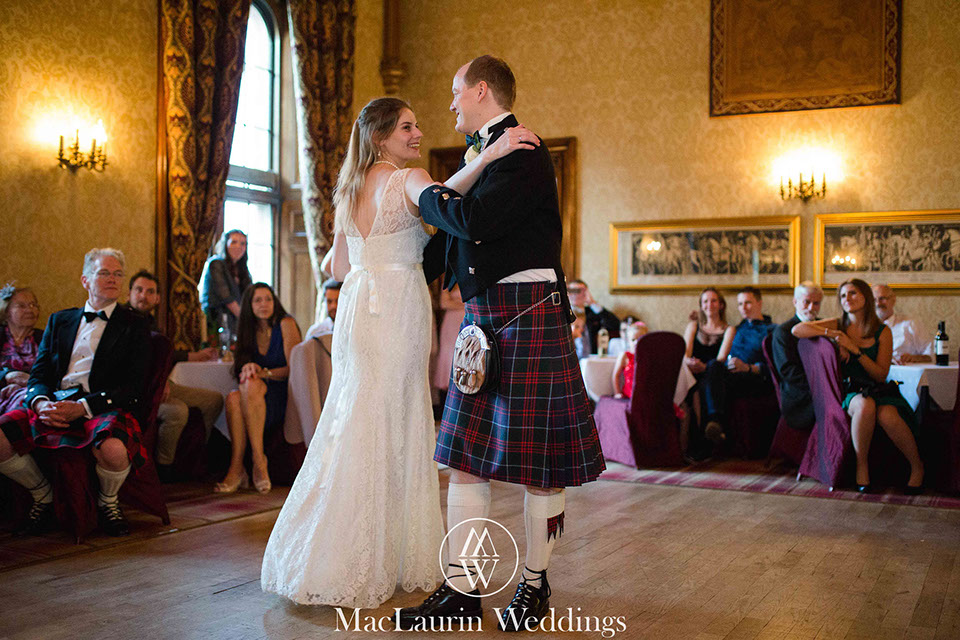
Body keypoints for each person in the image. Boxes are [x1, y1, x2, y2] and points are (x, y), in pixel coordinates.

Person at [260, 96, 535, 609]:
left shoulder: (348, 188)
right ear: (382, 135)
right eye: (407, 126)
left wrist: (375, 256)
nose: (416, 133)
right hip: (398, 308)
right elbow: (445, 205)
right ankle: (379, 554)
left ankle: (326, 552)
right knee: (395, 417)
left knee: (355, 416)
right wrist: (491, 156)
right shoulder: (407, 177)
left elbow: (335, 268)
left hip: (359, 308)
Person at [404, 56, 605, 632]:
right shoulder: (489, 154)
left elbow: (476, 221)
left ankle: (535, 586)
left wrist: (426, 198)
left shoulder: (523, 151)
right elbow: (439, 248)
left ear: (482, 91)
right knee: (467, 461)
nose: (451, 104)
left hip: (526, 316)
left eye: (455, 92)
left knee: (541, 466)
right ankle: (464, 591)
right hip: (485, 317)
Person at [0, 248, 151, 537]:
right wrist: (40, 401)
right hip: (54, 402)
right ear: (85, 280)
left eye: (118, 273)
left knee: (114, 450)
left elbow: (132, 387)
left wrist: (83, 407)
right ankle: (42, 494)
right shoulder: (60, 321)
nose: (113, 279)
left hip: (100, 406)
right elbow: (40, 372)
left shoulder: (135, 325)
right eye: (104, 273)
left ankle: (108, 502)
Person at [792, 278, 924, 493]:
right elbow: (797, 330)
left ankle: (917, 466)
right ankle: (861, 467)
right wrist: (834, 335)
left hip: (878, 388)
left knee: (888, 415)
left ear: (865, 297)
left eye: (852, 293)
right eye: (843, 296)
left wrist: (855, 350)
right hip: (850, 390)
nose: (847, 299)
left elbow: (881, 375)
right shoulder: (838, 324)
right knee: (865, 405)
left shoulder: (883, 332)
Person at [127, 270, 223, 475]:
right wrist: (159, 383)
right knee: (178, 411)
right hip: (140, 391)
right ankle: (165, 466)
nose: (143, 296)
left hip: (161, 384)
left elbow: (163, 356)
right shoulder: (123, 323)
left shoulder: (153, 323)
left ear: (158, 298)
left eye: (150, 291)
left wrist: (165, 379)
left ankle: (196, 456)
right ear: (129, 294)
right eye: (139, 290)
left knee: (214, 400)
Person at [215, 283, 300, 494]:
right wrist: (247, 368)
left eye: (268, 299)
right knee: (234, 398)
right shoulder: (247, 330)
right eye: (258, 300)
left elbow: (295, 369)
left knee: (249, 386)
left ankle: (254, 462)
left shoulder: (286, 323)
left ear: (275, 302)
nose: (264, 304)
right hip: (253, 395)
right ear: (249, 305)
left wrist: (264, 373)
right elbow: (240, 370)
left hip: (281, 395)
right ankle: (243, 466)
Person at [699, 286, 774, 446]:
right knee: (713, 367)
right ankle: (713, 429)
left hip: (753, 378)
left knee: (711, 382)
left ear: (759, 303)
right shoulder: (736, 329)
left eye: (747, 303)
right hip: (730, 376)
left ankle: (715, 427)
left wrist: (748, 367)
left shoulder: (771, 330)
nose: (743, 308)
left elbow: (775, 368)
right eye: (740, 304)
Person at [286, 278, 341, 445]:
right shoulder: (316, 331)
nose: (332, 306)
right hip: (320, 391)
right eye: (329, 301)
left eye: (337, 301)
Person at [681, 288, 735, 457]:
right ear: (701, 306)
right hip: (692, 373)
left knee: (713, 368)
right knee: (695, 384)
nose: (709, 304)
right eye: (705, 301)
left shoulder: (729, 329)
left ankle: (712, 425)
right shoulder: (693, 326)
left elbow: (721, 358)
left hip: (715, 375)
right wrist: (690, 362)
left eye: (713, 301)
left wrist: (704, 367)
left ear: (721, 305)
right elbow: (685, 354)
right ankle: (708, 428)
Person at [771, 282, 823, 431]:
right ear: (795, 302)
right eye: (807, 302)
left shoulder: (825, 326)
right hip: (799, 394)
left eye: (816, 303)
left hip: (823, 385)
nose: (811, 308)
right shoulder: (784, 332)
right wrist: (821, 384)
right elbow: (788, 371)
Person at [199, 229, 253, 337]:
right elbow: (226, 297)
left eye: (243, 243)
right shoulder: (216, 263)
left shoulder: (242, 269)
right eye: (234, 242)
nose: (239, 246)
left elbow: (250, 295)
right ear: (225, 244)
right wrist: (247, 320)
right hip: (217, 320)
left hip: (236, 321)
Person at [0, 286, 44, 415]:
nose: (29, 310)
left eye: (33, 305)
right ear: (6, 311)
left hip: (32, 396)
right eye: (21, 306)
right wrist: (7, 376)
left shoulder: (46, 338)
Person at [872, 284, 933, 364]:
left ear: (893, 300)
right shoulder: (864, 328)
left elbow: (931, 352)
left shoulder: (910, 324)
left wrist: (916, 358)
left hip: (903, 373)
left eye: (882, 298)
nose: (878, 304)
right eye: (874, 300)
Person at [567, 278, 619, 353]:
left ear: (586, 293)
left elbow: (615, 325)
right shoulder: (561, 313)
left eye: (578, 291)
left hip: (591, 358)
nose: (574, 294)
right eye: (571, 291)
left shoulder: (594, 313)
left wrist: (592, 303)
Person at [431, 283, 465, 400]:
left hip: (464, 319)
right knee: (450, 352)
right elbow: (444, 303)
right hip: (452, 320)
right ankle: (449, 389)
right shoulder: (450, 281)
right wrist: (465, 306)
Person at [612, 321, 649, 398]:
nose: (636, 342)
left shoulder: (648, 356)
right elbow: (615, 375)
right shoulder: (625, 356)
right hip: (629, 394)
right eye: (633, 340)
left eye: (640, 339)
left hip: (645, 394)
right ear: (628, 341)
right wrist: (617, 393)